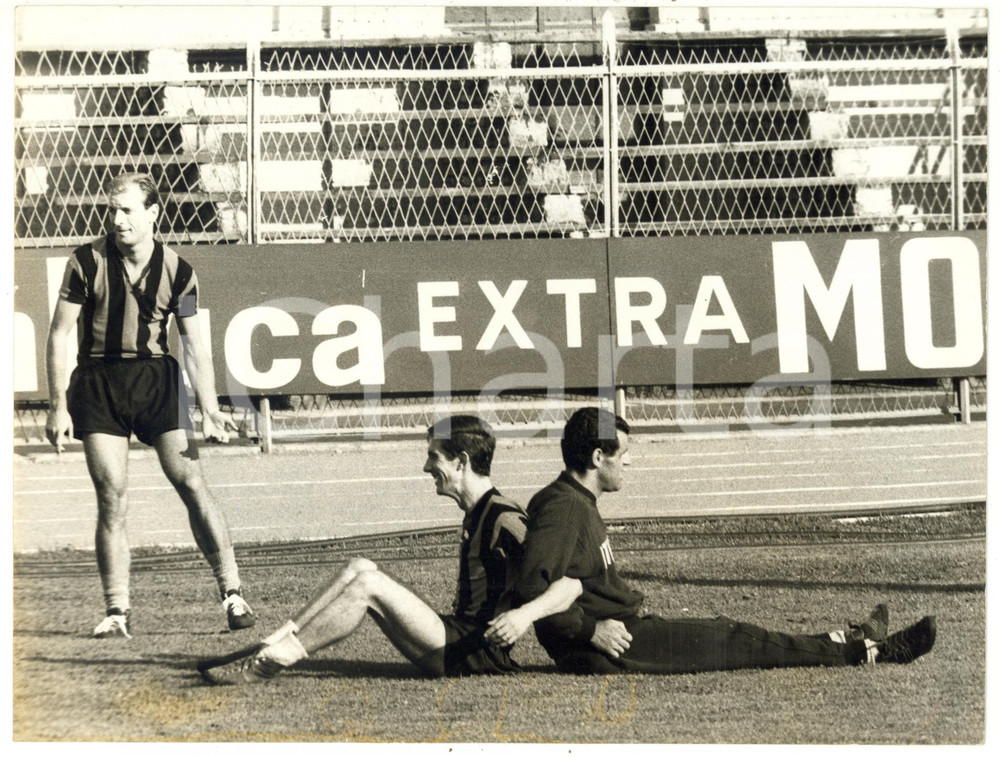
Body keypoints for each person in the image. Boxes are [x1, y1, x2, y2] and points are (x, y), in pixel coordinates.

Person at [496, 407, 937, 675]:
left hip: (622, 633)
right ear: (598, 457)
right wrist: (591, 631)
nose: (629, 462)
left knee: (734, 634)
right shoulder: (563, 507)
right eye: (623, 454)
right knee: (733, 636)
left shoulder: (573, 500)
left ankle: (847, 637)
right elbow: (533, 588)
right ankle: (870, 652)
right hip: (613, 644)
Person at [198, 414, 581, 684]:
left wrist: (523, 618)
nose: (426, 467)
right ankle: (273, 641)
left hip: (474, 651)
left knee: (368, 586)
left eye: (434, 456)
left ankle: (271, 662)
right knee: (360, 566)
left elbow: (565, 582)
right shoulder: (478, 511)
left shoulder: (505, 517)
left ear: (461, 462)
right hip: (455, 636)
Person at [45, 172, 255, 638]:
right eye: (112, 211)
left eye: (127, 211)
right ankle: (117, 611)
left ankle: (233, 593)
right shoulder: (85, 262)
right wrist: (58, 406)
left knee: (192, 482)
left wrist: (210, 408)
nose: (117, 220)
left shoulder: (179, 271)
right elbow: (58, 335)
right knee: (112, 495)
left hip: (157, 382)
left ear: (153, 213)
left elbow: (194, 345)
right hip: (98, 383)